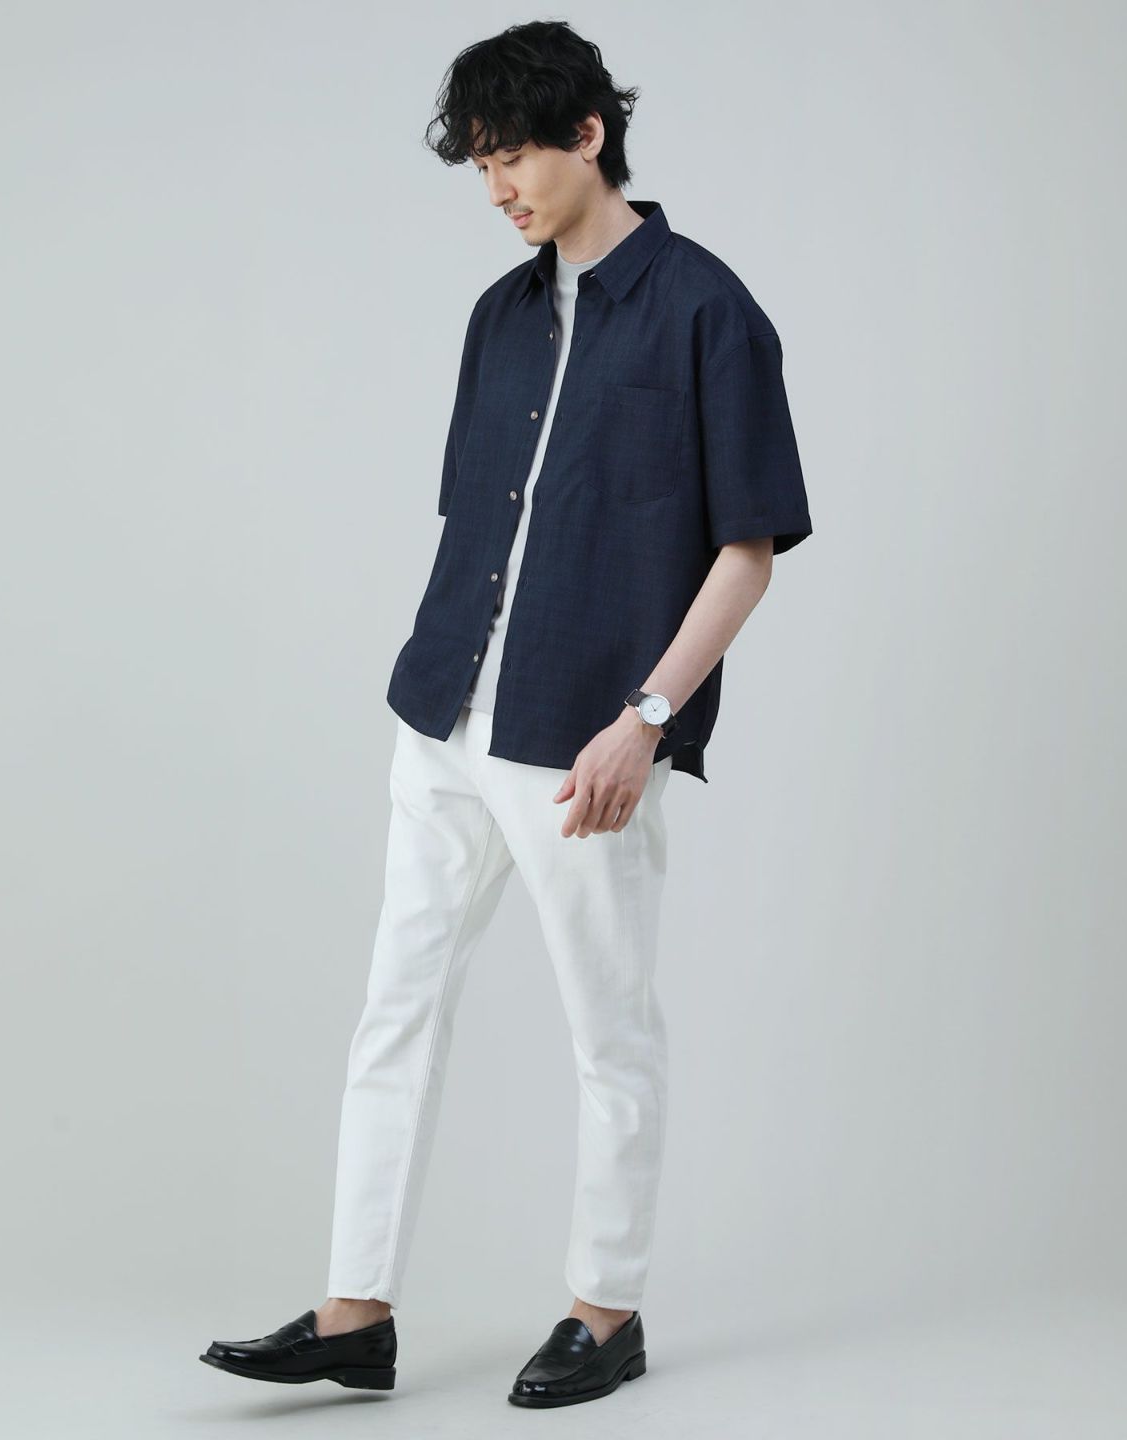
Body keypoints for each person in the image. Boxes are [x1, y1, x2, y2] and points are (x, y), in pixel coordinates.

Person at [200, 17, 812, 1409]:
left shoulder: (708, 310)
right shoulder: (499, 314)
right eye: (479, 166)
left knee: (610, 1031)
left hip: (585, 738)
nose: (498, 189)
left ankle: (607, 1308)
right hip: (444, 714)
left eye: (514, 156)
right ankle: (355, 1312)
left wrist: (648, 717)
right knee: (396, 1008)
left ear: (591, 133)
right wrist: (437, 695)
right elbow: (481, 522)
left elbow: (748, 549)